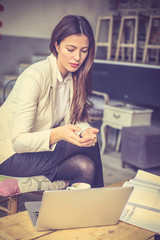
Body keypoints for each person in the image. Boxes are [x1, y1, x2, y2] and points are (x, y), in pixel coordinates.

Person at [0, 15, 104, 188]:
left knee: (85, 166)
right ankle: (103, 206)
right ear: (56, 45)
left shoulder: (73, 78)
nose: (77, 57)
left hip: (38, 154)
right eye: (70, 49)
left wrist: (85, 132)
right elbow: (18, 142)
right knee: (90, 148)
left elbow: (74, 120)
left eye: (84, 50)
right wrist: (59, 134)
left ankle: (76, 213)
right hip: (9, 155)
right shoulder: (35, 77)